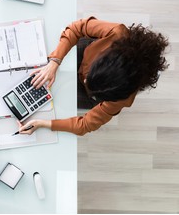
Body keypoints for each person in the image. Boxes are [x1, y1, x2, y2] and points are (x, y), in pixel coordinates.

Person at [17, 17, 169, 136]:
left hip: (88, 94)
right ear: (105, 57)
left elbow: (85, 125)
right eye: (88, 78)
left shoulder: (123, 98)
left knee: (50, 106)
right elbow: (77, 28)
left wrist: (43, 124)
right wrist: (54, 61)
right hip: (82, 54)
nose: (84, 80)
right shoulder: (116, 33)